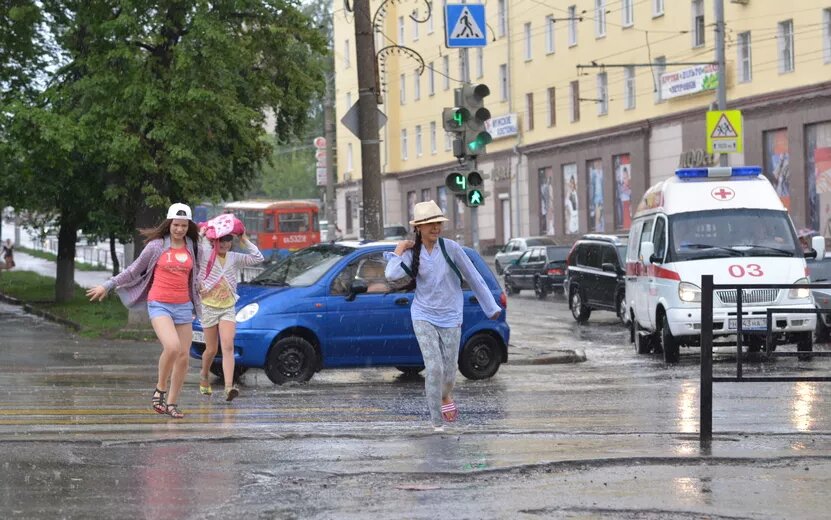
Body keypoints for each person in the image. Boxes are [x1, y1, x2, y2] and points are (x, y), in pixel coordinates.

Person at [385, 200, 502, 432]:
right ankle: (436, 422)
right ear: (418, 227)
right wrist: (399, 249)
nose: (435, 228)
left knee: (449, 371)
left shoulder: (451, 249)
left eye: (438, 223)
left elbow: (474, 277)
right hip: (423, 315)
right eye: (429, 224)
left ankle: (446, 395)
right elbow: (391, 274)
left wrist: (491, 308)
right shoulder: (413, 253)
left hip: (451, 317)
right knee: (434, 367)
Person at [86, 203, 201, 419]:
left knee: (184, 358)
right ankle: (160, 389)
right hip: (159, 304)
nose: (179, 229)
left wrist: (201, 285)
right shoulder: (157, 246)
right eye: (176, 225)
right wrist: (108, 285)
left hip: (184, 305)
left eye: (184, 226)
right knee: (172, 347)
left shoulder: (193, 246)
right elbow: (133, 271)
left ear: (189, 226)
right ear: (169, 224)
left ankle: (172, 403)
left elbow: (197, 274)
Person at [196, 213, 264, 400]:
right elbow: (199, 245)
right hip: (209, 306)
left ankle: (228, 387)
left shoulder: (234, 257)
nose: (225, 243)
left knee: (227, 346)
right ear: (214, 240)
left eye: (228, 239)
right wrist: (203, 233)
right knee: (211, 349)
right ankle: (203, 375)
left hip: (227, 307)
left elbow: (257, 257)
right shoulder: (206, 255)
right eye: (221, 240)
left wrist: (244, 240)